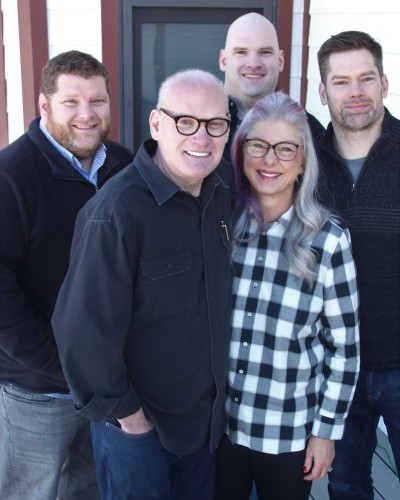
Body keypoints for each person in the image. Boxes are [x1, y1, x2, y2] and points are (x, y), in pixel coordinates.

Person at [51, 69, 233, 500]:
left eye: (215, 125)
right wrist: (131, 420)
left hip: (203, 427)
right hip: (139, 433)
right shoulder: (116, 213)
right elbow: (81, 335)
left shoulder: (221, 194)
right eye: (185, 122)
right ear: (156, 124)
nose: (201, 138)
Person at [0, 50, 133, 499]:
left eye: (97, 101)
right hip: (37, 391)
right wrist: (65, 368)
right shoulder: (10, 177)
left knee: (91, 490)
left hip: (106, 387)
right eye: (71, 102)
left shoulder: (122, 165)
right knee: (29, 493)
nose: (86, 114)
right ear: (44, 106)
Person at [214, 91, 360, 500]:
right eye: (258, 146)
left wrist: (326, 434)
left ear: (302, 163)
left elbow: (344, 349)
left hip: (288, 434)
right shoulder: (222, 228)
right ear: (241, 154)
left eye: (285, 149)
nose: (269, 160)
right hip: (221, 428)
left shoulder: (329, 242)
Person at [315, 30, 400, 499]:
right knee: (347, 484)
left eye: (366, 78)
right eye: (342, 81)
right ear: (323, 91)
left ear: (384, 83)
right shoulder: (304, 163)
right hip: (334, 369)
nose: (356, 92)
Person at [219, 12, 325, 159]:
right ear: (224, 60)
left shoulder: (309, 130)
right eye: (241, 52)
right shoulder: (197, 122)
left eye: (265, 52)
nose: (253, 63)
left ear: (280, 60)